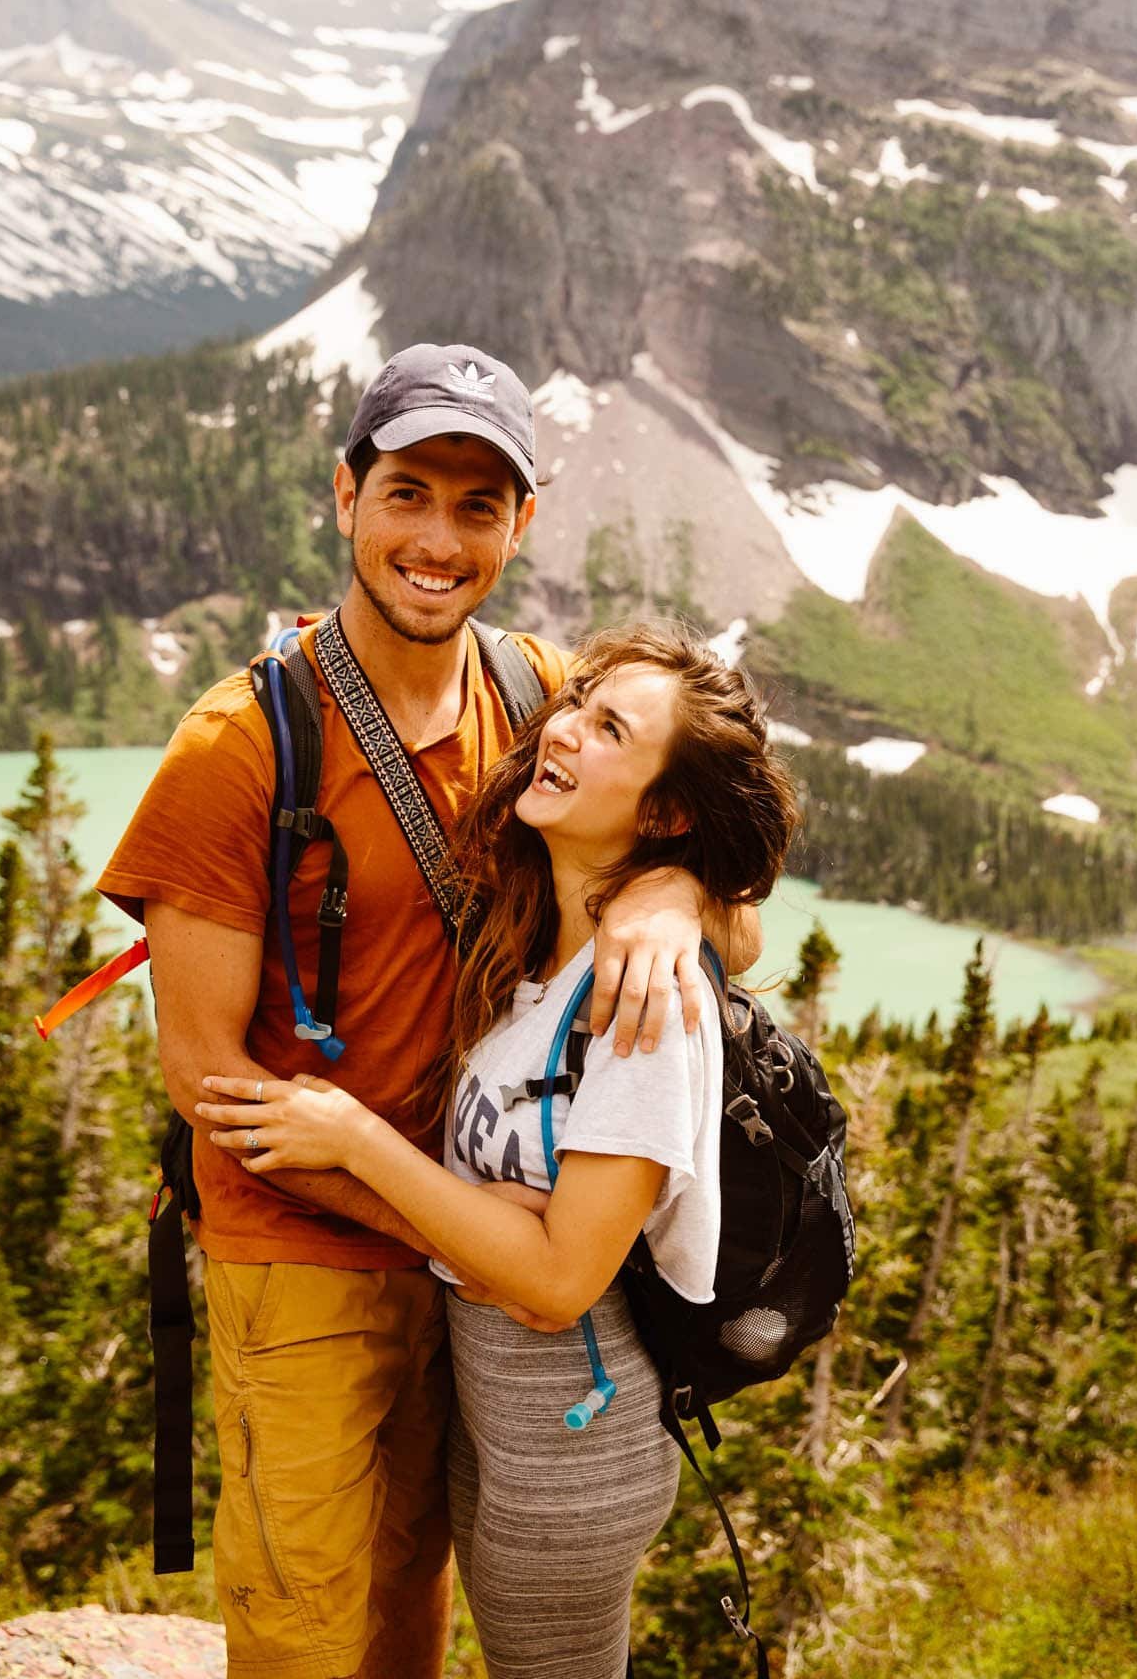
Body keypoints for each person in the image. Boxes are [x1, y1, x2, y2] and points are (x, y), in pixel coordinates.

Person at [97, 345, 762, 1679]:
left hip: (472, 1271)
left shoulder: (535, 700)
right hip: (310, 1258)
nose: (436, 540)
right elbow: (207, 1083)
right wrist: (416, 1194)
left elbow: (716, 866)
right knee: (304, 1627)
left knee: (411, 1613)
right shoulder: (238, 751)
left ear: (521, 522)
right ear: (345, 496)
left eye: (476, 506)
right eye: (408, 493)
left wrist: (671, 899)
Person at [196, 621, 799, 1679]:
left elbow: (558, 1278)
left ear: (662, 813)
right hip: (508, 1430)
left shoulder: (640, 1010)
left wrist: (354, 1137)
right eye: (578, 701)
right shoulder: (549, 949)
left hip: (572, 1455)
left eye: (609, 726)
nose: (559, 726)